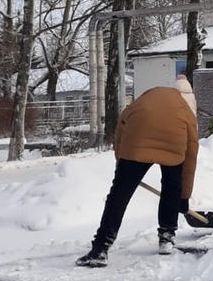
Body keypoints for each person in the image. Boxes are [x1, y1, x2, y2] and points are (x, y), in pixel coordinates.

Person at [76, 64, 199, 266]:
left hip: (135, 141)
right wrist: (183, 198)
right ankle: (167, 237)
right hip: (173, 144)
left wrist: (121, 168)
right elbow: (191, 156)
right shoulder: (186, 112)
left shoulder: (143, 99)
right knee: (171, 186)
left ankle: (101, 247)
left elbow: (120, 133)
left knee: (119, 195)